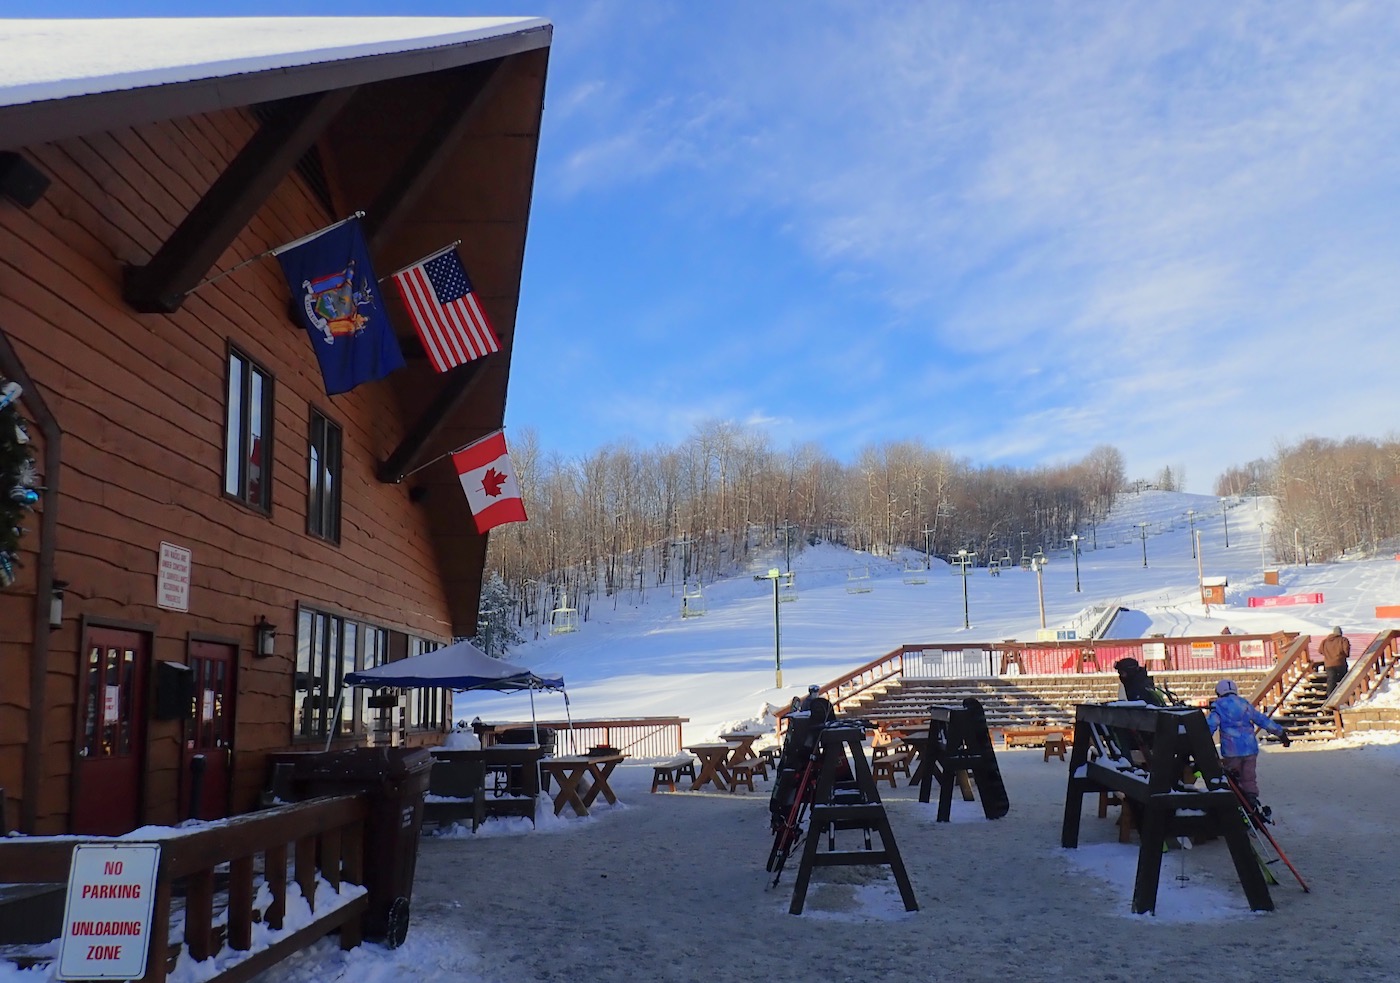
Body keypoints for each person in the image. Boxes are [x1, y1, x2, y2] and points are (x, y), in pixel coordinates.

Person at [1207, 678, 1290, 805]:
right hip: (1250, 748)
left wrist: (1203, 739)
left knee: (1234, 777)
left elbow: (1211, 725)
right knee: (1249, 777)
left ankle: (1237, 801)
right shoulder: (1244, 704)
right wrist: (1280, 733)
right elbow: (1262, 720)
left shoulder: (1218, 706)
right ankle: (1252, 799)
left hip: (1231, 750)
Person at [1319, 626, 1350, 696]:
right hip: (1340, 663)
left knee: (1331, 680)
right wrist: (1344, 655)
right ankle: (1343, 694)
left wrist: (1328, 655)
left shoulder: (1325, 641)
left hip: (1328, 664)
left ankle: (1329, 695)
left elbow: (1320, 650)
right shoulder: (1343, 640)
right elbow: (1346, 650)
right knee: (1344, 678)